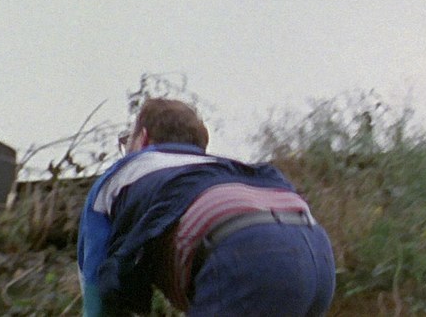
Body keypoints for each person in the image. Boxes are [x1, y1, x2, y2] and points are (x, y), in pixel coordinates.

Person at [77, 98, 335, 316]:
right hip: (317, 255)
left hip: (240, 254)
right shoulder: (223, 169)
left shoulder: (122, 175)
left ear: (143, 140)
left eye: (127, 141)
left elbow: (95, 290)